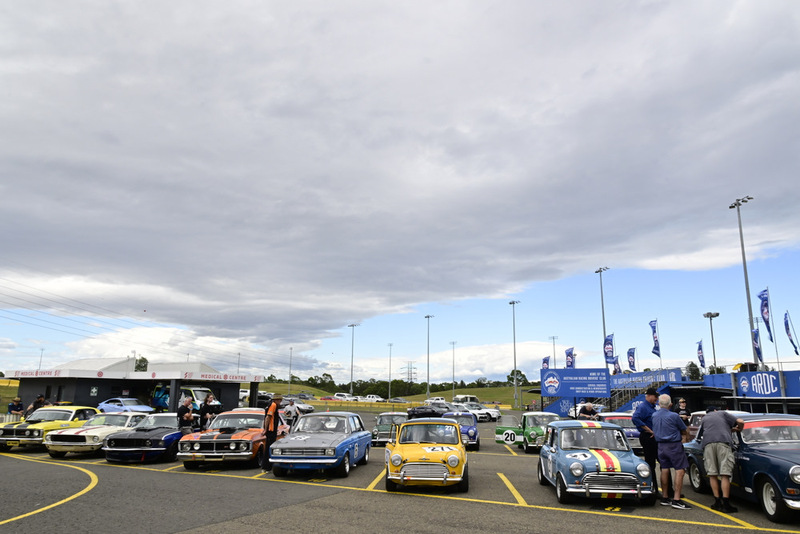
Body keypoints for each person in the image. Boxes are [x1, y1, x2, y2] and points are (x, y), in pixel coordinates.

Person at [697, 406, 745, 513]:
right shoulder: (722, 413)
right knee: (725, 474)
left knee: (712, 474)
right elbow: (741, 421)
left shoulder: (704, 419)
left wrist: (729, 429)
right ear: (716, 410)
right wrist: (739, 428)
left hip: (708, 445)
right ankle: (726, 504)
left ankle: (717, 502)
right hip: (723, 443)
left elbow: (704, 433)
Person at [652, 394, 690, 509]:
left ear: (659, 404)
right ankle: (676, 499)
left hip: (660, 445)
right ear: (671, 404)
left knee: (664, 469)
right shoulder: (674, 416)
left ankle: (665, 497)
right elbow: (683, 429)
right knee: (680, 470)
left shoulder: (654, 415)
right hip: (673, 445)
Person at [632, 388, 664, 496]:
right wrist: (649, 430)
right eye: (655, 397)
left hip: (655, 437)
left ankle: (667, 490)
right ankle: (654, 490)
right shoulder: (643, 407)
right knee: (651, 465)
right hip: (648, 437)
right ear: (649, 396)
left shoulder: (652, 407)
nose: (657, 399)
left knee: (663, 463)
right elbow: (635, 418)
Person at [262, 395, 282, 472]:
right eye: (279, 400)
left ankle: (267, 466)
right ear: (276, 400)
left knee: (269, 448)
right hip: (271, 430)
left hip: (272, 430)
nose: (280, 402)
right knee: (269, 448)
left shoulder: (270, 405)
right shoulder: (273, 405)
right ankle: (267, 466)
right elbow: (268, 417)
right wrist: (265, 429)